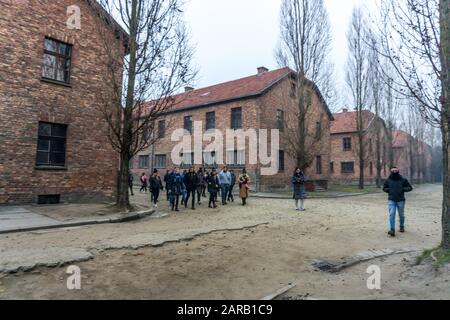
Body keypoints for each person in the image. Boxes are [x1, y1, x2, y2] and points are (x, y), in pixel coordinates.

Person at [383, 166, 413, 237]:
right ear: (391, 171)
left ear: (398, 171)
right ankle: (392, 229)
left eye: (396, 171)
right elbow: (384, 188)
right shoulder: (388, 180)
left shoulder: (403, 180)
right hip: (391, 199)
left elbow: (410, 188)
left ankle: (401, 226)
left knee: (401, 215)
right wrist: (389, 190)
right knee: (391, 214)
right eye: (393, 171)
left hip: (401, 200)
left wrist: (402, 189)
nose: (394, 172)